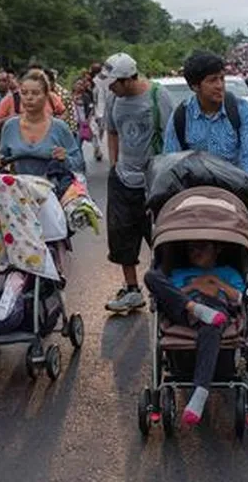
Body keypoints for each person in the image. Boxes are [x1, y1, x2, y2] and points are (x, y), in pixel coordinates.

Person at [99, 53, 174, 313]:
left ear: (128, 79)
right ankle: (132, 290)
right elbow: (112, 131)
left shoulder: (157, 96)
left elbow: (171, 136)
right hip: (122, 178)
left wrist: (164, 173)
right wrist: (113, 165)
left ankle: (166, 287)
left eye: (114, 83)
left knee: (159, 235)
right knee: (121, 234)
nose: (110, 88)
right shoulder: (113, 99)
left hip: (154, 179)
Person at [143, 240, 245, 425]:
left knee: (213, 325)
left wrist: (214, 281)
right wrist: (195, 286)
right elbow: (168, 296)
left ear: (217, 249)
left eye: (202, 247)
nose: (196, 252)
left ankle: (200, 393)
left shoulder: (228, 272)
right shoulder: (178, 273)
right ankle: (195, 308)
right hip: (183, 310)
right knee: (151, 276)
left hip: (215, 309)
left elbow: (239, 298)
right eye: (191, 248)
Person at [163, 51, 248, 188]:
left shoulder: (241, 109)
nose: (220, 85)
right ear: (195, 86)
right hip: (195, 192)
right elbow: (171, 161)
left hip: (235, 188)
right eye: (212, 80)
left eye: (222, 78)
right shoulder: (180, 116)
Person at [0, 70, 84, 178]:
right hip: (19, 186)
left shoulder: (59, 127)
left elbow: (78, 164)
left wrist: (65, 159)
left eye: (35, 93)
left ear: (46, 95)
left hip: (52, 186)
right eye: (24, 93)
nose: (29, 98)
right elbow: (2, 157)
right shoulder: (10, 126)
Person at [92, 62, 111, 160]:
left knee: (99, 131)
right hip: (97, 111)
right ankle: (97, 149)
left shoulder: (105, 81)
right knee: (98, 131)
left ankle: (97, 148)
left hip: (101, 111)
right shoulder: (93, 81)